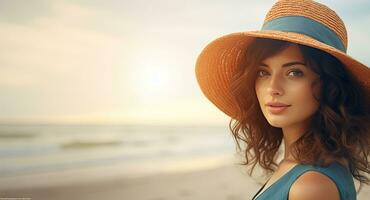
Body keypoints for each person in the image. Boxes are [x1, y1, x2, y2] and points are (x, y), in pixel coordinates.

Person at [195, 0, 370, 199]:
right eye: (263, 72)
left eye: (295, 72)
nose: (272, 88)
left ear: (330, 85)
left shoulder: (311, 186)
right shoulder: (302, 166)